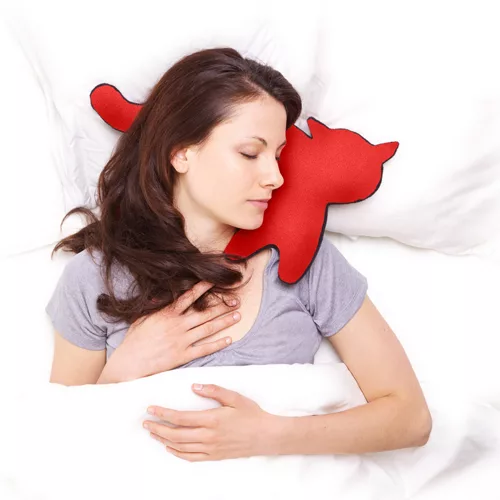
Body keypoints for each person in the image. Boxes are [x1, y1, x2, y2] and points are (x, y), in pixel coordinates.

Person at [46, 47, 432, 461]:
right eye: (250, 153)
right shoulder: (94, 276)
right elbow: (58, 445)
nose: (275, 176)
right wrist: (123, 372)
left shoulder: (305, 263)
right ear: (181, 152)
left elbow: (410, 417)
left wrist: (268, 435)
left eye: (278, 155)